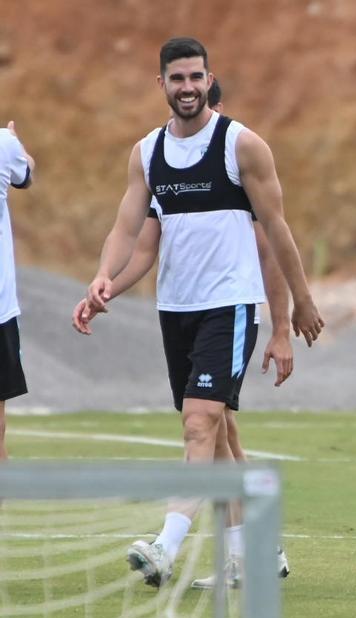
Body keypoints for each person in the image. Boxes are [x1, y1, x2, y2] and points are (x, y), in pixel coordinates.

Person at [79, 37, 323, 587]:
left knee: (199, 423)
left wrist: (295, 309)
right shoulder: (147, 153)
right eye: (177, 78)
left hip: (229, 306)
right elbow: (131, 236)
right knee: (219, 440)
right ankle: (253, 555)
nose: (187, 87)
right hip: (176, 310)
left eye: (196, 77)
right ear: (160, 83)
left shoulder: (243, 146)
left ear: (210, 79)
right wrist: (103, 282)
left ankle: (166, 544)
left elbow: (275, 235)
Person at [0, 121, 34, 461]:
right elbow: (26, 171)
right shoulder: (5, 143)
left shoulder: (3, 144)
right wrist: (18, 146)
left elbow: (24, 173)